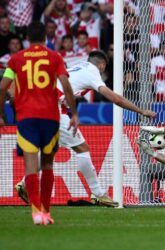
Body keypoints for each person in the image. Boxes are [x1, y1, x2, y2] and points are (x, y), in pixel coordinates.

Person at [15, 50, 156, 207]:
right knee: (82, 148)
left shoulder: (79, 66)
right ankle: (98, 194)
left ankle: (25, 183)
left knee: (50, 151)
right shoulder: (92, 72)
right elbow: (116, 98)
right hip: (52, 107)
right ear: (101, 65)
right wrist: (141, 111)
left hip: (41, 104)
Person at [0, 21, 79, 225]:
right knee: (47, 164)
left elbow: (2, 88)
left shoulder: (16, 59)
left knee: (30, 166)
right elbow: (66, 83)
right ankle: (46, 212)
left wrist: (1, 114)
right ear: (45, 38)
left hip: (26, 118)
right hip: (50, 117)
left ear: (27, 38)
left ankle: (36, 213)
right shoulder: (54, 57)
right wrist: (74, 113)